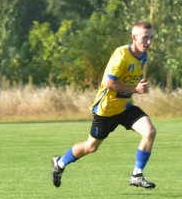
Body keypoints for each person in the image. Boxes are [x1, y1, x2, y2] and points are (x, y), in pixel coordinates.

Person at [51, 20, 157, 190]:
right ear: (134, 37)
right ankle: (60, 163)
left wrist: (136, 87)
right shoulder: (121, 55)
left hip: (125, 107)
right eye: (145, 38)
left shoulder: (143, 56)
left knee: (150, 132)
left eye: (151, 38)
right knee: (90, 147)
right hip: (106, 110)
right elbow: (109, 83)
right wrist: (135, 89)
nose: (149, 42)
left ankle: (137, 174)